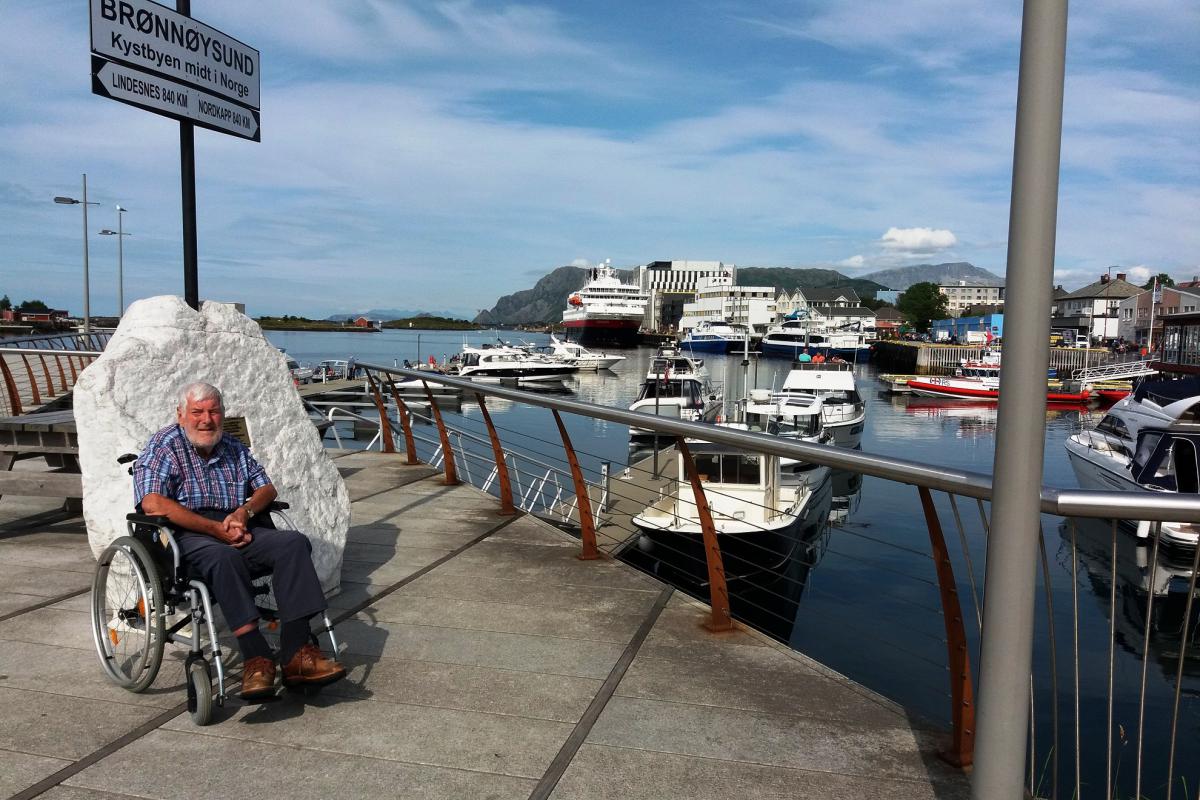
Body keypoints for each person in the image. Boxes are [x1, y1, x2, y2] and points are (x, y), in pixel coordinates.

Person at [134, 382, 346, 701]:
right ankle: (255, 656)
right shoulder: (165, 445)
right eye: (197, 412)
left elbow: (267, 489)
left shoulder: (232, 446)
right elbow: (153, 504)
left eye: (214, 411)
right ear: (181, 415)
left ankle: (295, 653)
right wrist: (213, 528)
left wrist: (243, 513)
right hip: (187, 534)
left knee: (293, 544)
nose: (207, 419)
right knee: (223, 557)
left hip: (235, 524)